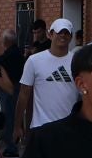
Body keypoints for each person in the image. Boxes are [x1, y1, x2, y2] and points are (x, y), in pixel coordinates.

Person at [17, 18, 79, 148]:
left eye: (66, 33)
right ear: (50, 34)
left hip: (69, 129)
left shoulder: (78, 61)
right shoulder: (34, 61)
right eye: (59, 32)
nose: (63, 35)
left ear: (71, 36)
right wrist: (17, 126)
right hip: (41, 128)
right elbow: (23, 95)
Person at [0, 29, 26, 155]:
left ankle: (11, 146)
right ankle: (13, 143)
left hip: (10, 89)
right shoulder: (19, 53)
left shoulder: (6, 57)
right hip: (18, 86)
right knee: (13, 115)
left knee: (9, 116)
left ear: (5, 41)